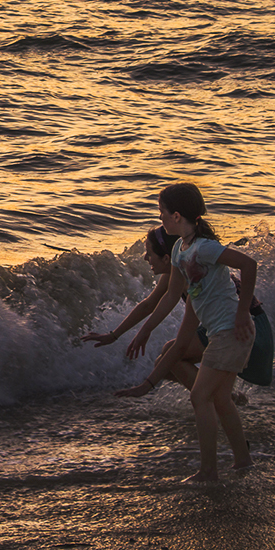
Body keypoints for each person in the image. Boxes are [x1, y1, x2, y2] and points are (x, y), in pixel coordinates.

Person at [114, 182, 259, 483]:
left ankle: (209, 471)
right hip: (220, 333)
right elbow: (169, 297)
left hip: (231, 330)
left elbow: (248, 264)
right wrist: (144, 331)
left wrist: (244, 311)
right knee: (220, 399)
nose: (161, 218)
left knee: (200, 396)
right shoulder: (181, 249)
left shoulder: (205, 248)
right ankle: (243, 461)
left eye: (162, 213)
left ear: (177, 216)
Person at [82, 224, 206, 386]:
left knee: (170, 354)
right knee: (163, 364)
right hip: (219, 327)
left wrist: (145, 331)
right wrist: (113, 335)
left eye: (149, 253)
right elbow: (149, 304)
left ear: (167, 258)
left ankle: (220, 398)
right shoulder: (173, 274)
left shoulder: (189, 276)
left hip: (234, 326)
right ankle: (223, 397)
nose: (145, 258)